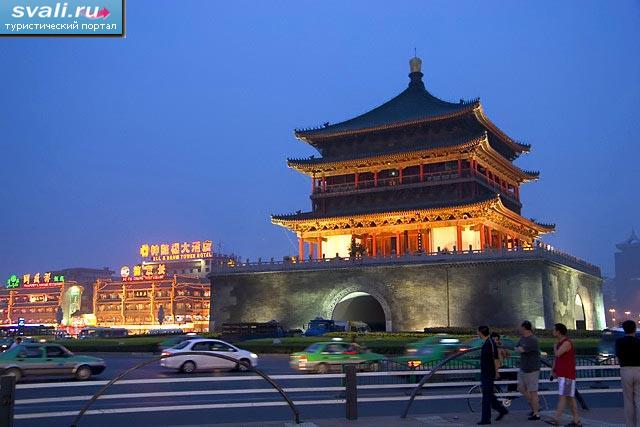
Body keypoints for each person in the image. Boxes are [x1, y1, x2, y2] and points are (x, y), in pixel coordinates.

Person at [549, 323, 581, 426]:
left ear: (558, 331)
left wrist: (554, 347)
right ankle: (576, 420)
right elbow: (557, 359)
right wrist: (553, 371)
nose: (552, 332)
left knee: (563, 396)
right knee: (569, 398)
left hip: (567, 374)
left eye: (554, 330)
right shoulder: (560, 343)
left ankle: (556, 418)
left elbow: (557, 354)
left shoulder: (566, 343)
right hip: (562, 374)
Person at [477, 325, 508, 424]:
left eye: (477, 332)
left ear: (481, 332)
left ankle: (485, 419)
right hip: (485, 372)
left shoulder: (490, 343)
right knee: (489, 395)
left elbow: (495, 359)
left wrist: (496, 372)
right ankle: (502, 410)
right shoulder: (487, 342)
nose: (477, 333)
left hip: (488, 373)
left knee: (486, 397)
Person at [616, 319, 640, 427]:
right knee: (639, 399)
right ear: (635, 329)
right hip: (639, 369)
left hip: (625, 370)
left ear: (624, 329)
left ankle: (630, 425)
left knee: (628, 400)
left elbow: (618, 355)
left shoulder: (619, 342)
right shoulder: (639, 341)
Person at [515, 320, 541, 420]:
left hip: (532, 368)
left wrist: (520, 349)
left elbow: (521, 350)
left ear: (524, 328)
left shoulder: (532, 339)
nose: (519, 329)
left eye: (520, 327)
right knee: (520, 388)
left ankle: (536, 412)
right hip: (523, 367)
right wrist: (519, 349)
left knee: (533, 391)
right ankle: (536, 405)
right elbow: (517, 347)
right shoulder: (522, 338)